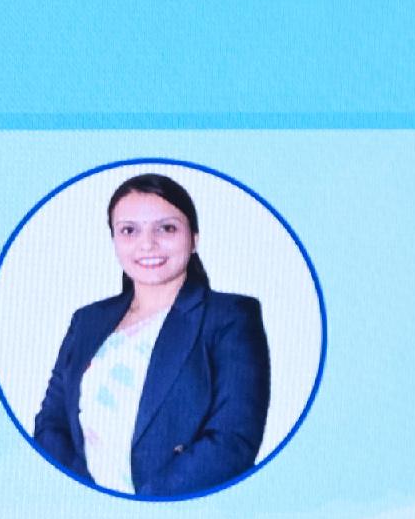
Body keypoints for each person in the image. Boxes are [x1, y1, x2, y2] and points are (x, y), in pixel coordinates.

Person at [28, 170, 272, 499]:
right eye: (129, 230)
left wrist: (143, 506)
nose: (148, 243)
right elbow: (51, 423)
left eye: (166, 228)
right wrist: (88, 494)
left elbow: (232, 442)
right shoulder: (87, 321)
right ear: (114, 239)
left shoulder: (229, 317)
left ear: (194, 237)